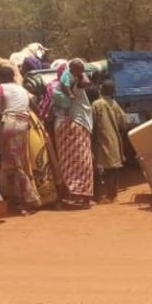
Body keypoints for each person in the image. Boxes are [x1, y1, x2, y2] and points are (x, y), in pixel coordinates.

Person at [0, 66, 41, 214]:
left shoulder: (0, 88)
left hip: (10, 123)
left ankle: (29, 200)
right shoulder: (22, 89)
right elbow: (35, 106)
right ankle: (14, 197)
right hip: (23, 125)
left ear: (0, 78)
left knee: (13, 164)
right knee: (19, 161)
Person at [54, 59, 95, 208]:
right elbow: (86, 81)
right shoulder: (76, 83)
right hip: (77, 124)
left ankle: (71, 195)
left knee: (67, 163)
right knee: (83, 161)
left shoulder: (56, 87)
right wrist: (81, 75)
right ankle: (83, 196)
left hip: (62, 125)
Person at [91, 80, 127, 204]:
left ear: (102, 89)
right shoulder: (114, 103)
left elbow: (92, 123)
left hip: (103, 140)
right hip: (114, 139)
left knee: (107, 169)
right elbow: (123, 121)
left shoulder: (96, 104)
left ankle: (110, 196)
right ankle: (113, 194)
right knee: (113, 168)